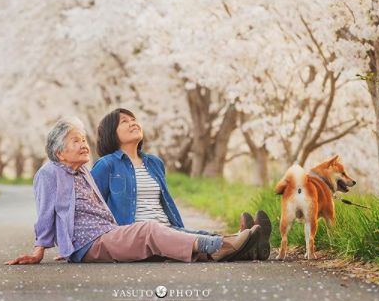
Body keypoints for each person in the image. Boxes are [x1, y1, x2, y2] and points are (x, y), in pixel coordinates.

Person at [6, 117, 261, 265]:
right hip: (90, 242)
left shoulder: (83, 171)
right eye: (76, 141)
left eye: (84, 140)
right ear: (59, 151)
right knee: (148, 229)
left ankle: (236, 246)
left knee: (163, 240)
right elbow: (45, 212)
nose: (84, 145)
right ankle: (223, 244)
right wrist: (41, 250)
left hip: (107, 234)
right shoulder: (49, 173)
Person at [91, 108, 272, 261]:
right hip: (138, 236)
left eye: (134, 119)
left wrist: (177, 228)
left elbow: (164, 203)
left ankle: (249, 247)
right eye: (124, 121)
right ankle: (240, 242)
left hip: (168, 229)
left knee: (200, 235)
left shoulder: (154, 163)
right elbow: (91, 208)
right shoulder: (106, 165)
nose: (133, 123)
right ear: (111, 133)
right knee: (202, 242)